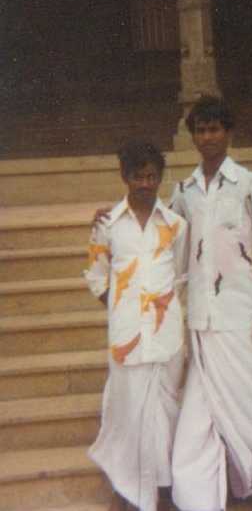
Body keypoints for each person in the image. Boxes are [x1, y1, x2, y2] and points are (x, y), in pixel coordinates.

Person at [169, 96, 252, 511]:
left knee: (250, 404)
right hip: (202, 319)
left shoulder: (251, 184)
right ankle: (200, 496)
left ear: (228, 133)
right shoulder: (183, 191)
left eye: (215, 128)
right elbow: (167, 239)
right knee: (198, 417)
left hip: (242, 314)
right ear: (193, 137)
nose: (208, 137)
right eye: (201, 130)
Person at [84, 140, 188, 511]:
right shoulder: (107, 225)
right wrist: (123, 308)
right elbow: (97, 277)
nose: (145, 183)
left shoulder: (175, 225)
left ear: (160, 178)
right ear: (125, 177)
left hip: (165, 336)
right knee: (128, 411)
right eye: (137, 176)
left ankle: (162, 486)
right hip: (127, 336)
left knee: (165, 410)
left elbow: (181, 275)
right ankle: (129, 487)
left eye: (151, 176)